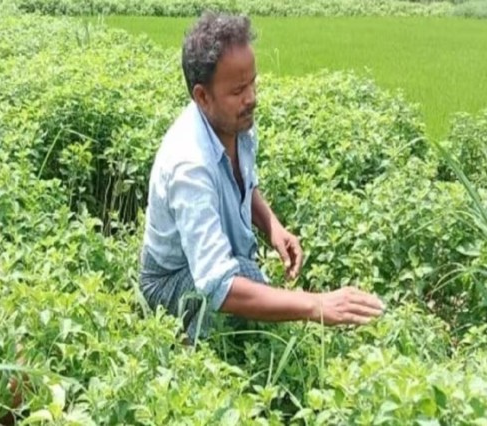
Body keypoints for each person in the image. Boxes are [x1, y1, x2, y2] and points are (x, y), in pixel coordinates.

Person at [138, 11, 384, 342]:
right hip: (168, 284)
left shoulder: (234, 123)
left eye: (253, 82)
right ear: (202, 97)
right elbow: (217, 286)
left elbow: (240, 184)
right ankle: (194, 349)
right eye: (239, 89)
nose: (251, 98)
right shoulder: (189, 165)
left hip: (206, 264)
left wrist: (272, 226)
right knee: (246, 282)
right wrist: (316, 305)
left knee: (250, 282)